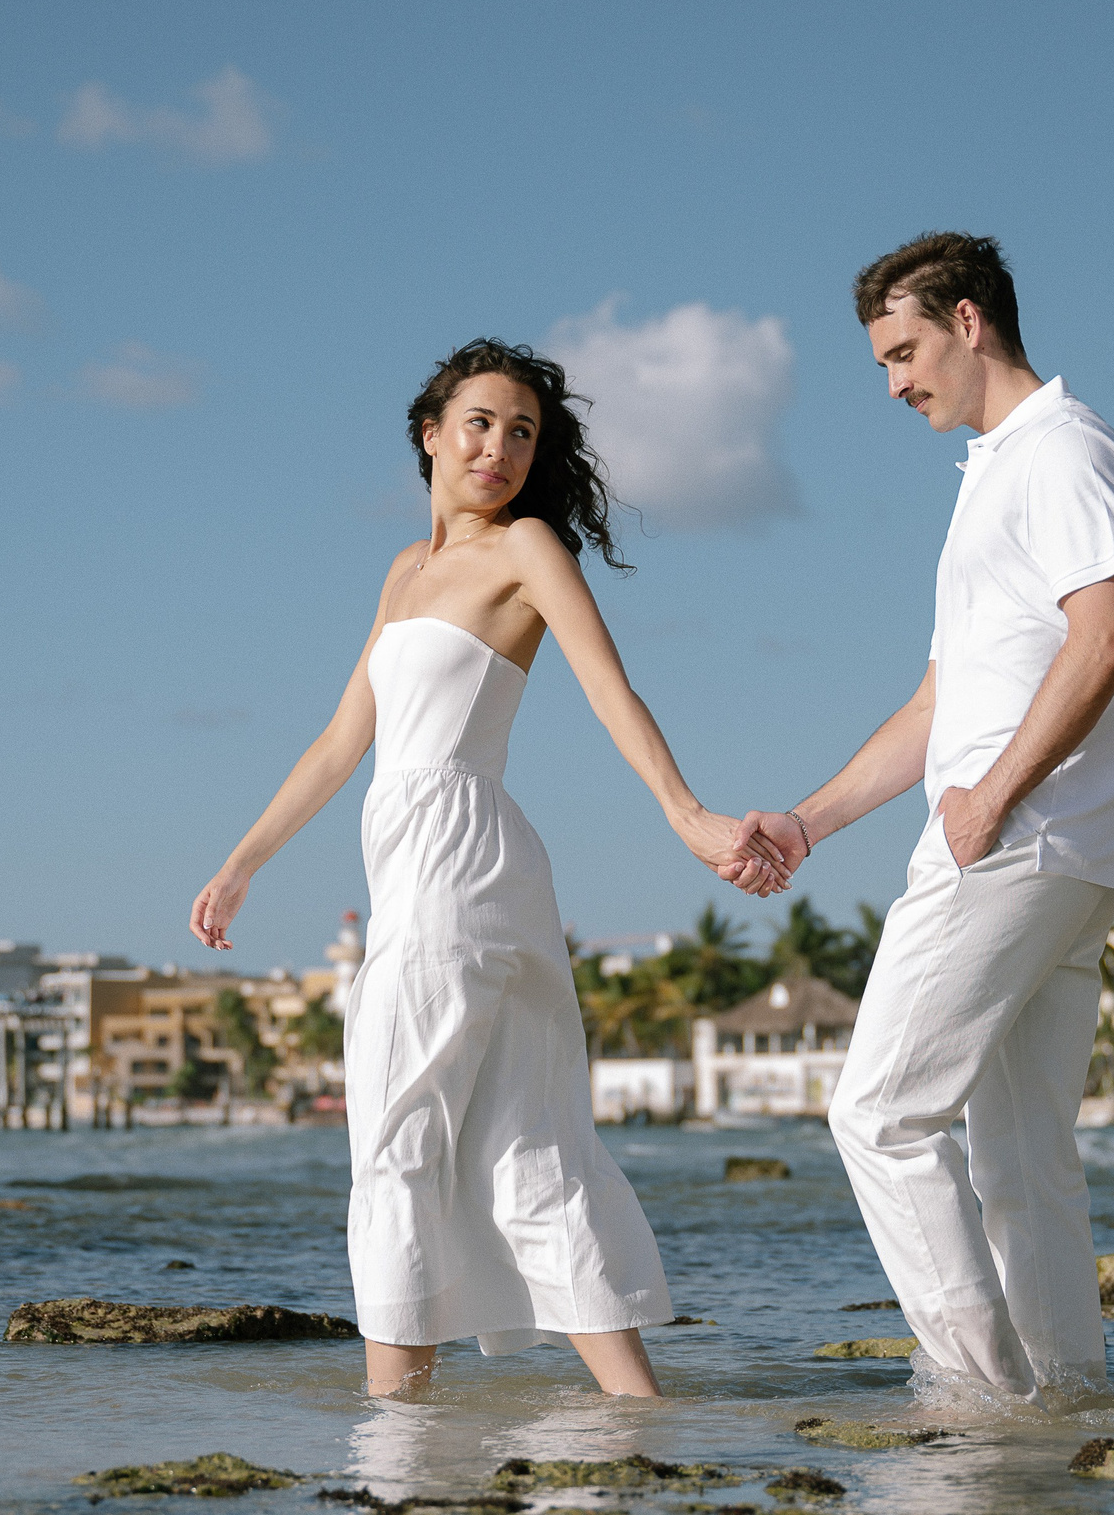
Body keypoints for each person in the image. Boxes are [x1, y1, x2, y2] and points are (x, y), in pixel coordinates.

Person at [190, 338, 781, 1399]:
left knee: (399, 1131)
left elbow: (610, 690)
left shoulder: (527, 550)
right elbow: (340, 742)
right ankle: (637, 1415)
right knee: (522, 1142)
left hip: (456, 863)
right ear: (430, 432)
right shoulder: (404, 572)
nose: (499, 448)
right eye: (479, 423)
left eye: (522, 432)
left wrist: (685, 813)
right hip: (440, 867)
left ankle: (394, 1420)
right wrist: (242, 864)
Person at [727, 233, 1114, 1403]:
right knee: (1022, 1159)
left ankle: (981, 1397)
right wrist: (810, 822)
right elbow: (939, 704)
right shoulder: (994, 476)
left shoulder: (1059, 449)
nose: (892, 383)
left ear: (968, 321)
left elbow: (1105, 641)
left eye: (904, 351)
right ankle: (1068, 1405)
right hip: (1058, 849)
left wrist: (991, 798)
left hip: (1022, 840)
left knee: (876, 1114)